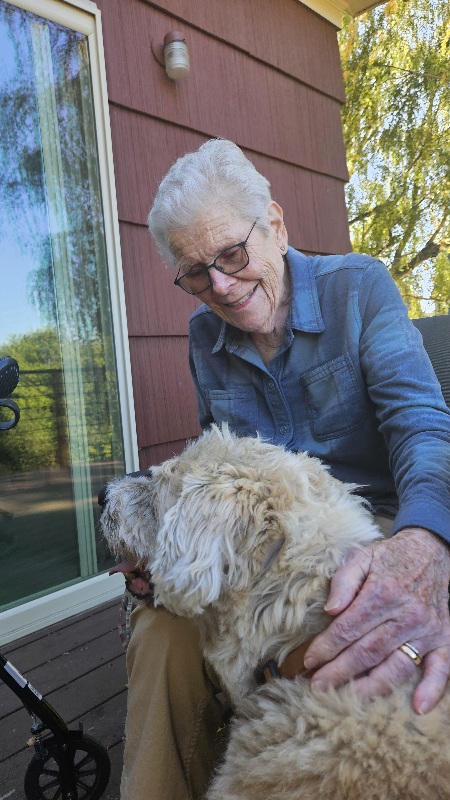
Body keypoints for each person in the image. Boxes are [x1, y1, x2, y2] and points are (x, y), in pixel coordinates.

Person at [119, 138, 450, 800]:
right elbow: (220, 472)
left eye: (232, 255)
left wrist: (425, 542)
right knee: (159, 630)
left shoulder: (359, 287)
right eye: (195, 272)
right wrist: (170, 547)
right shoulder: (204, 338)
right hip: (265, 553)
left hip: (373, 531)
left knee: (358, 632)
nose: (219, 286)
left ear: (275, 225)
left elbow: (423, 426)